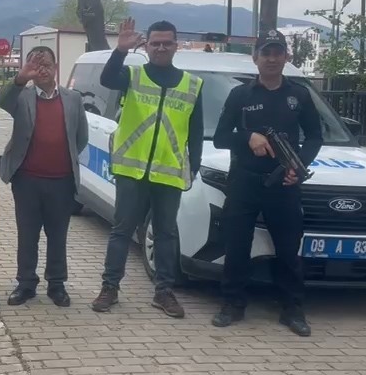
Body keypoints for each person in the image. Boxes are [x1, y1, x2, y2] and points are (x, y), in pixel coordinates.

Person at [211, 29, 322, 337]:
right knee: (236, 245)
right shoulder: (240, 95)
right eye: (266, 53)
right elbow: (221, 138)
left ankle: (292, 309)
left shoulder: (299, 94)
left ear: (286, 56)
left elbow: (315, 137)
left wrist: (299, 169)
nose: (272, 58)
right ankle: (232, 304)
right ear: (255, 58)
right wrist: (248, 137)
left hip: (284, 184)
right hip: (245, 182)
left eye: (277, 52)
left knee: (289, 249)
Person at [91, 18, 204, 318]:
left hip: (169, 173)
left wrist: (193, 169)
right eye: (155, 42)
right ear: (148, 45)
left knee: (166, 234)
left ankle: (163, 292)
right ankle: (110, 288)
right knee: (121, 231)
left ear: (176, 46)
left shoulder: (192, 85)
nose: (161, 47)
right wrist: (120, 51)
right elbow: (106, 79)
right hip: (132, 171)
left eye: (167, 42)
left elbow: (196, 131)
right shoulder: (132, 75)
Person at [0, 46, 88, 308]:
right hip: (27, 181)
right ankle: (25, 284)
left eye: (46, 64)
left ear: (56, 67)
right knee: (28, 235)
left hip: (61, 181)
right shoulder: (22, 97)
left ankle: (57, 285)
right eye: (36, 65)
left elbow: (81, 138)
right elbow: (2, 101)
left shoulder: (73, 99)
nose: (42, 69)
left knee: (58, 235)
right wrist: (21, 77)